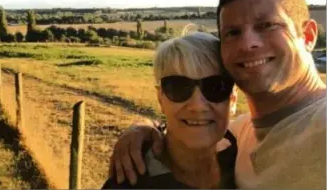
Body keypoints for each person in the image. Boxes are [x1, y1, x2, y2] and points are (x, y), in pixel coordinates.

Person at [107, 0, 326, 189]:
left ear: (307, 36)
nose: (247, 44)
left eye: (267, 25)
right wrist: (143, 131)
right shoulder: (239, 134)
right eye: (232, 32)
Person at [102, 33, 238, 189]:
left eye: (216, 87)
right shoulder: (130, 182)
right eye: (178, 87)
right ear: (160, 98)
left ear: (233, 99)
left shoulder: (249, 155)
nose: (197, 106)